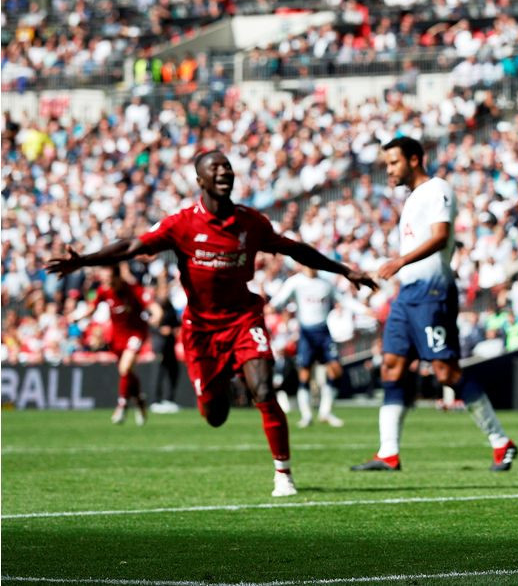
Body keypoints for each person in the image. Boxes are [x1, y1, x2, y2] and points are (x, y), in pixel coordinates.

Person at [47, 150, 377, 497]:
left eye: (227, 167)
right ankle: (220, 387)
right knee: (215, 415)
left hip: (244, 319)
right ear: (200, 180)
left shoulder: (251, 222)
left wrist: (344, 270)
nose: (223, 172)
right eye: (214, 168)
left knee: (264, 390)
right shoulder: (182, 224)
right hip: (201, 332)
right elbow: (133, 245)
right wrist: (84, 261)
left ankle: (283, 474)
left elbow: (294, 249)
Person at [351, 137, 517, 472]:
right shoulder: (412, 198)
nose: (389, 170)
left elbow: (441, 236)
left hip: (432, 293)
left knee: (446, 371)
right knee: (392, 366)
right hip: (407, 294)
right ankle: (388, 452)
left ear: (414, 159)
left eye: (394, 162)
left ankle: (501, 442)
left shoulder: (437, 188)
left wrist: (400, 261)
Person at [268, 264, 349, 428]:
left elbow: (344, 300)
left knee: (335, 370)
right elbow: (280, 298)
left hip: (324, 332)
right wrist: (271, 306)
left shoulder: (325, 283)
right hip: (306, 333)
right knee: (305, 374)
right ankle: (306, 415)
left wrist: (365, 310)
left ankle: (325, 411)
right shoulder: (296, 282)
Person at [74, 264, 150, 425]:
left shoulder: (130, 288)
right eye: (104, 278)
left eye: (108, 278)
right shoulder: (104, 291)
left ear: (117, 277)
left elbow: (148, 302)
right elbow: (92, 307)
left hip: (136, 333)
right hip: (117, 337)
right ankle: (139, 400)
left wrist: (156, 313)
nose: (106, 282)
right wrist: (78, 317)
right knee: (127, 372)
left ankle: (122, 405)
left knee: (125, 367)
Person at [148, 276, 182, 414]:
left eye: (167, 290)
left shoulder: (170, 306)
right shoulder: (154, 306)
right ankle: (155, 400)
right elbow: (149, 325)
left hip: (170, 345)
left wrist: (174, 329)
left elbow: (176, 323)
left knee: (173, 371)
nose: (165, 292)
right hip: (159, 344)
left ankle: (169, 399)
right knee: (158, 372)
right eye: (163, 290)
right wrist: (160, 330)